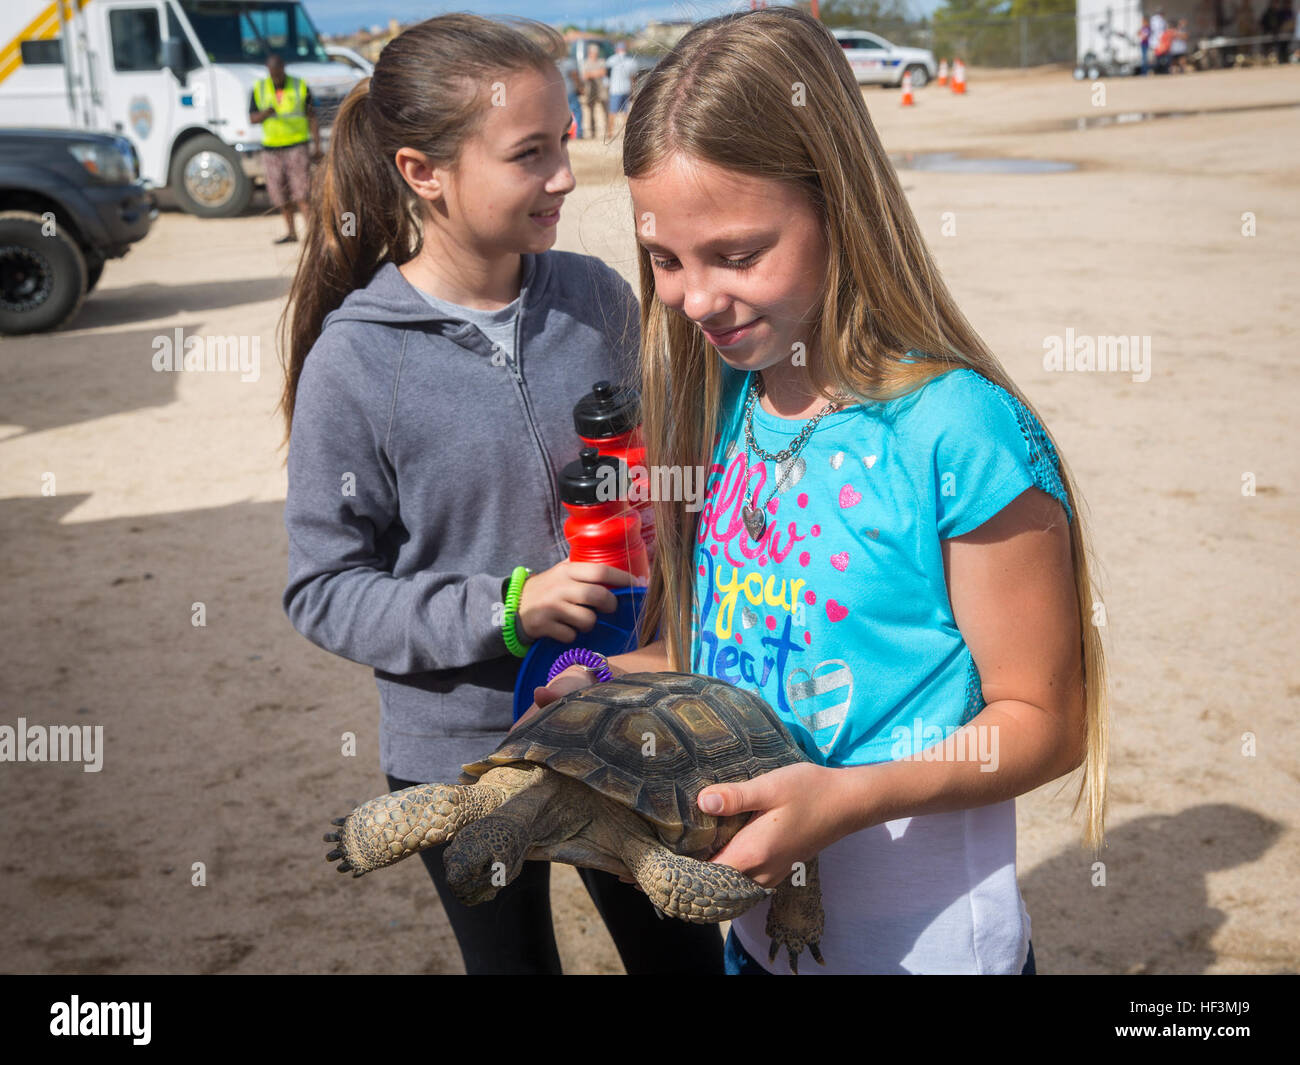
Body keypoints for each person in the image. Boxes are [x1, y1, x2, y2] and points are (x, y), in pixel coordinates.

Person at [525, 7, 1108, 975]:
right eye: (665, 260)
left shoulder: (957, 431)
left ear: (837, 202)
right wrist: (611, 686)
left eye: (738, 254)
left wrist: (846, 797)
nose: (695, 299)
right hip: (753, 947)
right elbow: (727, 650)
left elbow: (1045, 721)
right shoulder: (719, 405)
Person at [280, 14, 725, 975]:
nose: (566, 174)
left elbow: (676, 475)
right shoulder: (355, 362)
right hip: (461, 756)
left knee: (687, 963)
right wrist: (509, 608)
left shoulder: (600, 297)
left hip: (626, 716)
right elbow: (322, 589)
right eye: (530, 153)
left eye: (565, 141)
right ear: (421, 170)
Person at [249, 53, 320, 243]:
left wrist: (317, 145)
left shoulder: (299, 85)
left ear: (283, 68)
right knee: (280, 194)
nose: (276, 77)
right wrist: (265, 113)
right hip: (271, 148)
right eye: (272, 73)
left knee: (302, 193)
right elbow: (252, 118)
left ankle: (313, 235)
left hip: (297, 146)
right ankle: (291, 232)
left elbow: (312, 116)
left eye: (278, 73)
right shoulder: (259, 88)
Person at [606, 41, 639, 136]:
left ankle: (610, 132)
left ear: (616, 49)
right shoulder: (631, 61)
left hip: (615, 89)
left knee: (612, 112)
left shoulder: (611, 60)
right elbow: (633, 78)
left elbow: (607, 76)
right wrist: (633, 90)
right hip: (626, 88)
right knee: (625, 112)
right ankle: (627, 133)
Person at [582, 42, 609, 140]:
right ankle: (593, 132)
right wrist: (597, 73)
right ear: (590, 53)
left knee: (605, 111)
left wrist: (591, 73)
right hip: (591, 91)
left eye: (596, 52)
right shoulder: (586, 62)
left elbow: (603, 72)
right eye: (593, 52)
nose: (595, 54)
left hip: (602, 90)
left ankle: (608, 131)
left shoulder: (601, 61)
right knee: (591, 112)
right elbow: (585, 75)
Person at [557, 48, 583, 139]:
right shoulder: (570, 63)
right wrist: (580, 88)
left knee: (561, 113)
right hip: (570, 91)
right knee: (577, 112)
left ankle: (563, 135)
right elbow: (575, 76)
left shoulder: (555, 63)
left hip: (559, 92)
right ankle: (578, 133)